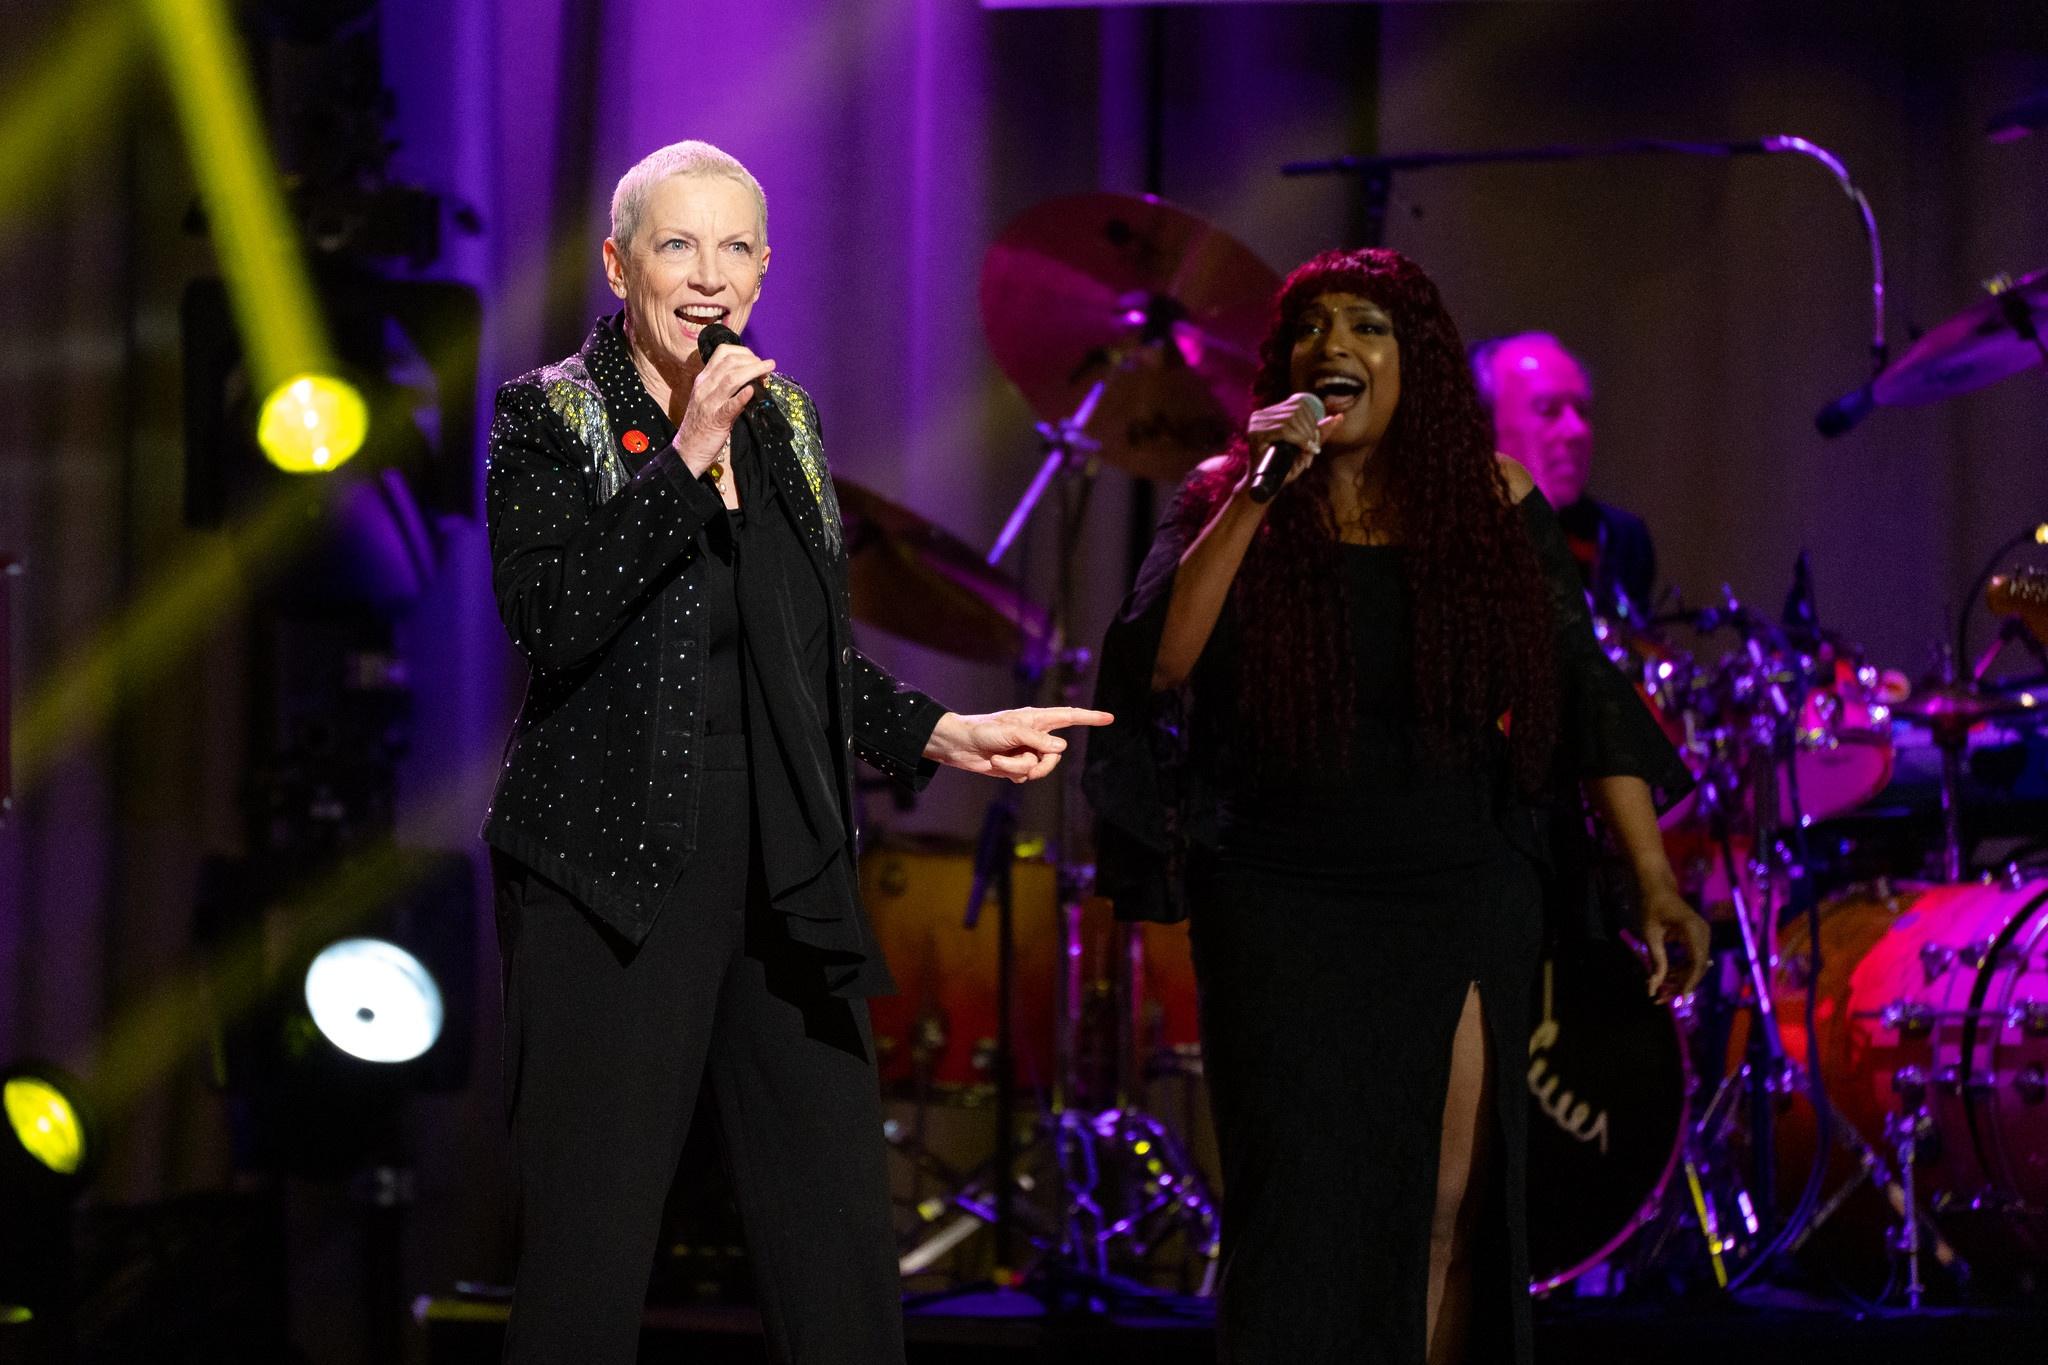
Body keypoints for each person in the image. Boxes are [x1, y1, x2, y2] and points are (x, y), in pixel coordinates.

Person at [480, 139, 1109, 1365]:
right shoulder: (548, 414)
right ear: (620, 266)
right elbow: (552, 626)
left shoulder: (791, 422)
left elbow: (797, 654)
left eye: (732, 249)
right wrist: (684, 462)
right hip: (608, 872)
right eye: (677, 245)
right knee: (589, 1252)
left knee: (837, 1258)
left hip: (787, 865)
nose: (706, 277)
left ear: (763, 274)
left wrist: (939, 726)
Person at [1085, 249, 1707, 1364]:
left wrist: (1654, 881)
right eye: (1311, 329)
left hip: (1459, 882)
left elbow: (1582, 690)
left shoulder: (1488, 503)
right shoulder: (1226, 495)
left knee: (1448, 1204)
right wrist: (1259, 491)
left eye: (1364, 326)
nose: (1334, 346)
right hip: (1279, 893)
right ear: (1282, 365)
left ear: (1409, 360)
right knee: (1294, 1220)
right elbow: (1164, 664)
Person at [1470, 332, 1656, 618]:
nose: (1577, 431)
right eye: (1549, 410)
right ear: (1484, 429)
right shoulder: (1428, 537)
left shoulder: (1619, 539)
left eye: (1581, 411)